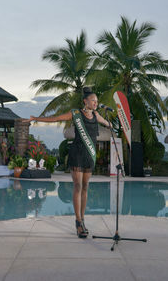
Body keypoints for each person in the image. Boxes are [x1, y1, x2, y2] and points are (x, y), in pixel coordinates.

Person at [23, 87, 111, 238]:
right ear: (85, 101)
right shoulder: (76, 113)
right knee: (78, 186)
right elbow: (56, 118)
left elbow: (109, 124)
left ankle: (83, 219)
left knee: (85, 187)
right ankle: (78, 222)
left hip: (89, 155)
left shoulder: (96, 115)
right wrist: (36, 119)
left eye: (97, 101)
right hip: (77, 153)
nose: (96, 103)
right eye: (93, 100)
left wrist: (115, 121)